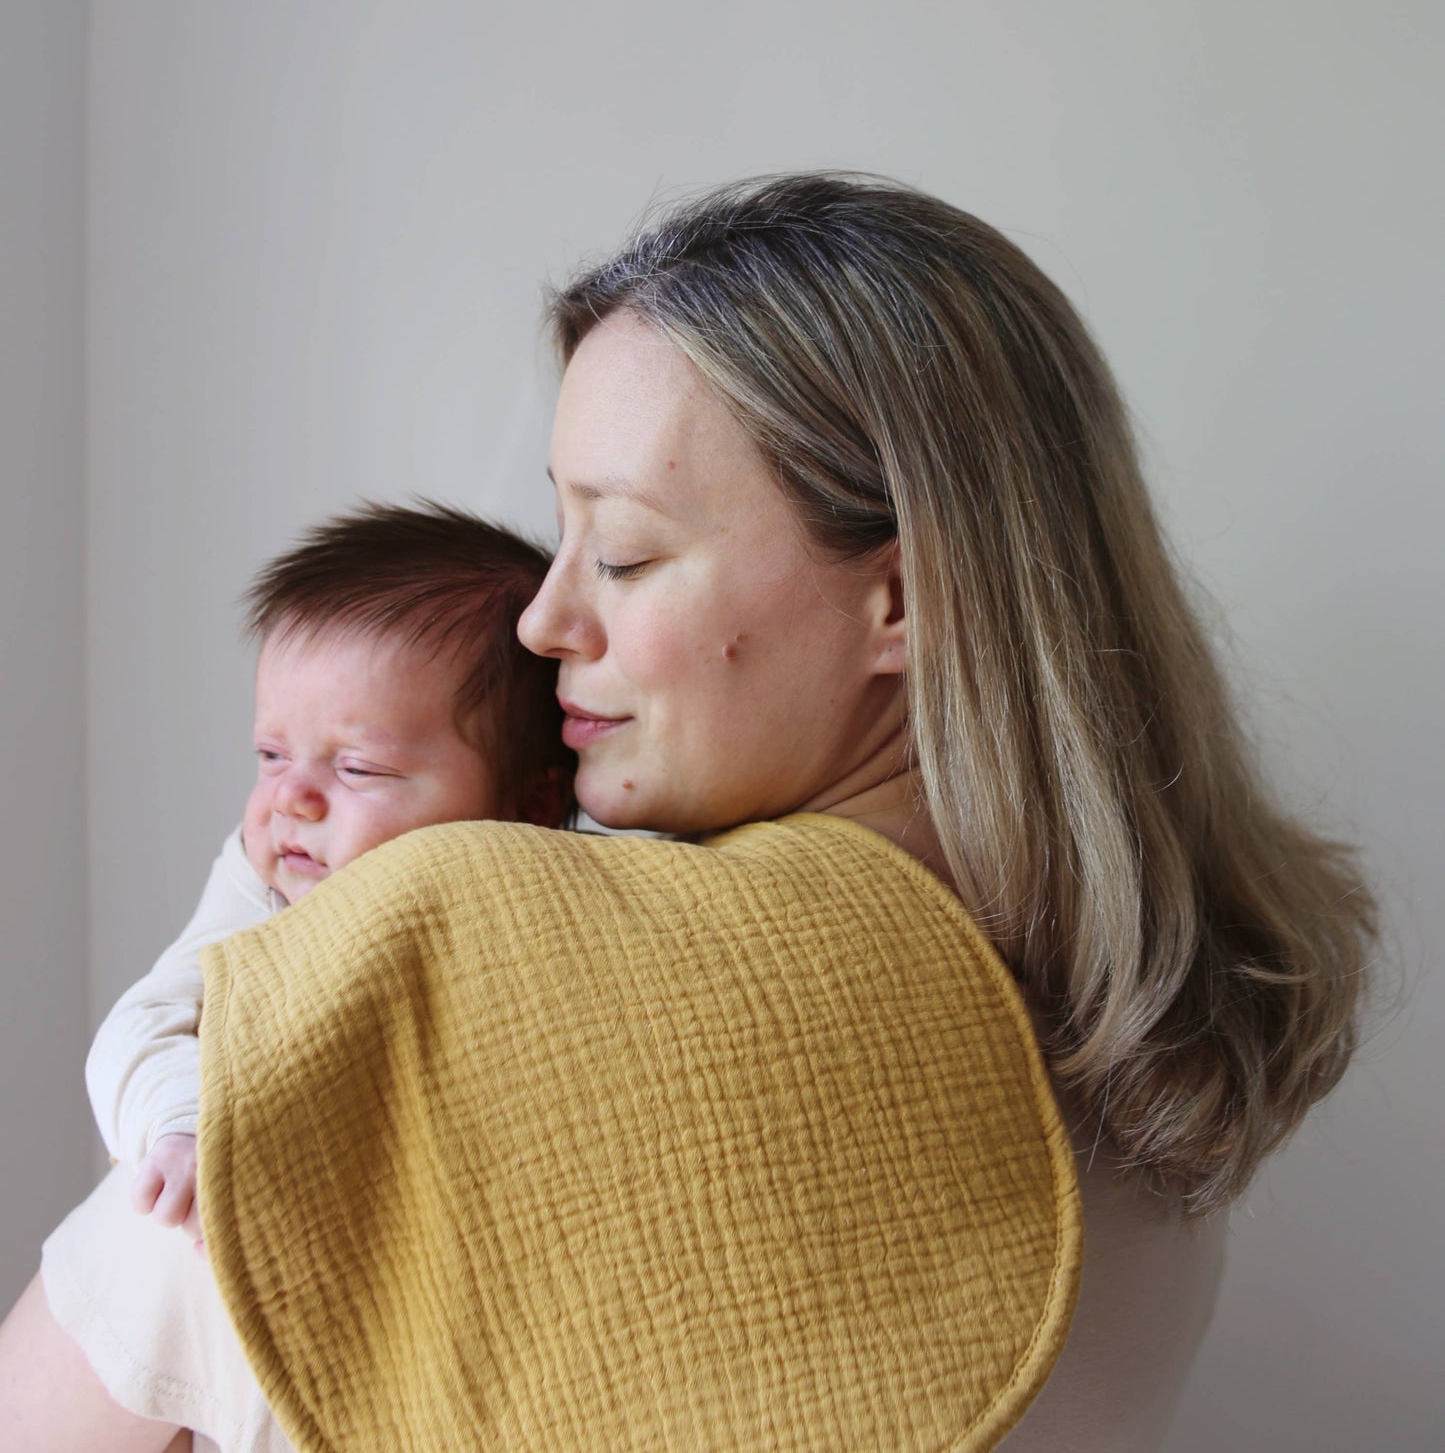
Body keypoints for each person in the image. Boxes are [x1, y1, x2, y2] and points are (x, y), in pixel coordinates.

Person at [0, 175, 1379, 1453]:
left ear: (902, 598)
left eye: (623, 552)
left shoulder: (447, 951)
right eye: (557, 544)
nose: (543, 619)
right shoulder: (1149, 1052)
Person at [5, 501, 572, 1452]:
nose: (291, 799)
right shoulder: (262, 880)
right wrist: (182, 1128)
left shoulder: (547, 898)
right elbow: (148, 1023)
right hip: (241, 1219)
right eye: (270, 754)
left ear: (528, 807)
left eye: (358, 768)